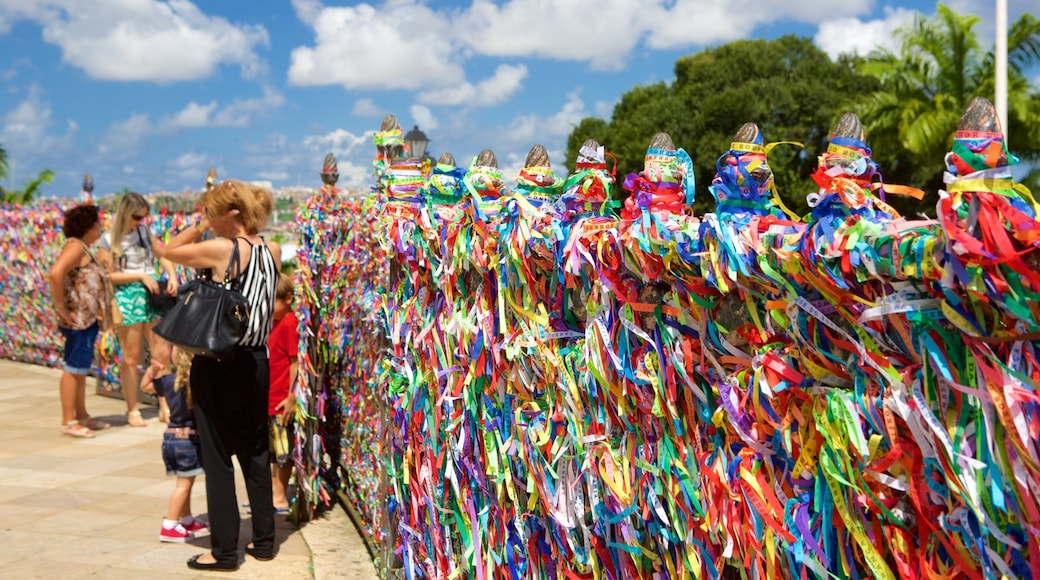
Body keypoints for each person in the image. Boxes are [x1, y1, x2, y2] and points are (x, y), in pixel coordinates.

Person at [161, 179, 281, 571]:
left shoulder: (222, 249)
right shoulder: (272, 250)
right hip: (256, 360)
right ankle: (264, 542)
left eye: (213, 212)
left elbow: (168, 251)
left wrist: (198, 223)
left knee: (217, 457)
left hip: (218, 363)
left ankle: (224, 551)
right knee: (255, 452)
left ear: (231, 214)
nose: (209, 219)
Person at [102, 192, 179, 427]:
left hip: (151, 293)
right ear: (125, 213)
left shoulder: (144, 232)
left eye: (143, 217)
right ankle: (132, 408)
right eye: (136, 216)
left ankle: (164, 405)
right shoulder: (108, 239)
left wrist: (172, 275)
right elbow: (109, 276)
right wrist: (140, 275)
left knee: (161, 353)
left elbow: (163, 254)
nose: (140, 221)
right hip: (128, 296)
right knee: (131, 356)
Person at [47, 204, 111, 438]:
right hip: (78, 320)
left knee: (81, 369)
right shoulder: (75, 247)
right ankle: (69, 419)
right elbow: (56, 273)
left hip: (87, 319)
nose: (100, 228)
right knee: (73, 368)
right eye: (97, 223)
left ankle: (81, 413)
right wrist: (61, 307)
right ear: (87, 226)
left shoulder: (84, 247)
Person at [140, 343, 208, 542]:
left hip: (170, 438)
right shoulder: (196, 383)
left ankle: (186, 519)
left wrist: (151, 371)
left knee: (186, 479)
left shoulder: (169, 381)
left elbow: (144, 386)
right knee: (184, 485)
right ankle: (169, 525)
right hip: (188, 440)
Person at [267, 273, 299, 513]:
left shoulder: (289, 323)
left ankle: (279, 495)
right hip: (268, 399)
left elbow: (294, 362)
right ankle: (272, 492)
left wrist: (291, 395)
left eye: (273, 301)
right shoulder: (273, 322)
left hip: (281, 400)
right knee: (272, 451)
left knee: (283, 451)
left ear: (288, 298)